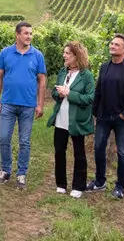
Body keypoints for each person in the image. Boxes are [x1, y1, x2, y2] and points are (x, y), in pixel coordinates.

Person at [87, 33, 124, 199]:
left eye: (116, 44)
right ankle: (100, 181)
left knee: (122, 152)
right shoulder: (105, 67)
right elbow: (98, 90)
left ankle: (120, 186)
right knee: (98, 148)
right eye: (111, 43)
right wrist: (95, 111)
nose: (112, 46)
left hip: (121, 119)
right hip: (104, 116)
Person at [0, 21, 47, 190]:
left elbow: (42, 80)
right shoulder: (5, 53)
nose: (29, 36)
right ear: (17, 35)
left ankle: (21, 173)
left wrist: (40, 104)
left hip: (28, 106)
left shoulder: (37, 55)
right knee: (4, 138)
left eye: (31, 33)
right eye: (26, 33)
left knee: (24, 141)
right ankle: (5, 170)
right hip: (8, 103)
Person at [46, 41, 95, 198]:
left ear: (76, 56)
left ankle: (78, 186)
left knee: (79, 153)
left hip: (76, 121)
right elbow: (55, 93)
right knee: (59, 151)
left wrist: (69, 94)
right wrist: (59, 93)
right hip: (61, 119)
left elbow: (89, 98)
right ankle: (61, 184)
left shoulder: (86, 76)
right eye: (64, 52)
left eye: (67, 53)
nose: (64, 55)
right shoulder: (63, 72)